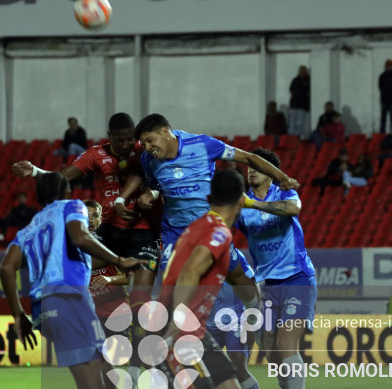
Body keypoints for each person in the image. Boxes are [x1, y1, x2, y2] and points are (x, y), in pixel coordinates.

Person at [0, 172, 144, 389]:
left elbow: (7, 266)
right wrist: (120, 259)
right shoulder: (72, 207)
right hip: (68, 299)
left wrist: (18, 315)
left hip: (43, 310)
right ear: (67, 191)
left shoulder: (28, 228)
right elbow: (80, 236)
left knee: (101, 383)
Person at [13, 113, 162, 389]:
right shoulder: (96, 155)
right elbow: (62, 179)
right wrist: (36, 172)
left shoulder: (144, 151)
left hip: (144, 232)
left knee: (142, 301)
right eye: (119, 140)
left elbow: (163, 178)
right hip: (108, 232)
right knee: (82, 270)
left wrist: (152, 195)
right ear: (109, 136)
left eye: (130, 138)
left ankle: (134, 371)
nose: (126, 144)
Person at [127, 169, 250, 389]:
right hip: (179, 326)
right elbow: (191, 272)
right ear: (242, 201)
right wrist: (177, 322)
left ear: (209, 198)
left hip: (193, 330)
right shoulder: (219, 232)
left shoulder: (200, 225)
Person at [116, 113, 299, 277]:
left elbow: (248, 158)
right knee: (173, 277)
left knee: (237, 277)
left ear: (165, 131)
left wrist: (282, 178)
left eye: (149, 140)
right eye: (144, 143)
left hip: (208, 224)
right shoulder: (148, 159)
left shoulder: (202, 145)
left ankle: (251, 303)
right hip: (174, 230)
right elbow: (153, 184)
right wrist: (148, 194)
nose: (147, 147)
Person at [236, 148, 327, 389]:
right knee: (275, 358)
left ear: (272, 171)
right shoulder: (242, 205)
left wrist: (251, 202)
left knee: (287, 346)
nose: (252, 171)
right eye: (249, 168)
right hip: (268, 285)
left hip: (297, 277)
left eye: (259, 168)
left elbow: (292, 211)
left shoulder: (283, 191)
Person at [206, 247, 274, 389]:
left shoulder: (234, 256)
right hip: (209, 320)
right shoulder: (197, 257)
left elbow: (253, 288)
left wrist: (251, 323)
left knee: (238, 366)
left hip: (236, 317)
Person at [83, 200, 126, 389]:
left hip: (117, 313)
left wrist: (110, 279)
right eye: (86, 216)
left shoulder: (112, 242)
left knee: (111, 369)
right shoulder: (76, 244)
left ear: (101, 217)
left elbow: (132, 274)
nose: (91, 220)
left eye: (95, 215)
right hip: (90, 316)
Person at [288, 65, 311, 138]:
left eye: (303, 70)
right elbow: (291, 90)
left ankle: (297, 136)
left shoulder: (308, 80)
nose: (302, 72)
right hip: (294, 104)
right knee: (292, 121)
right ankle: (291, 136)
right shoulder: (295, 80)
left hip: (303, 105)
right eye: (300, 70)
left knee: (300, 122)